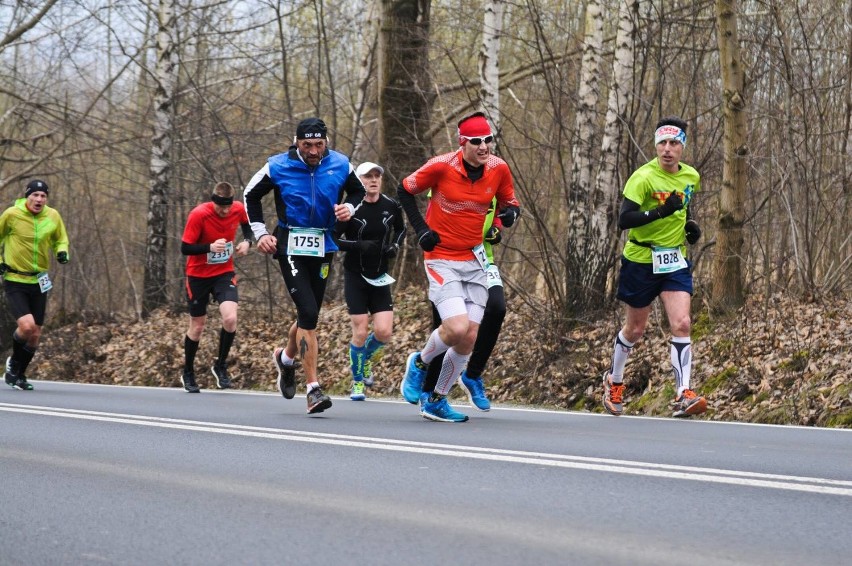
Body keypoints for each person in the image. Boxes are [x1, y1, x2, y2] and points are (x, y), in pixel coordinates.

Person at [398, 111, 520, 423]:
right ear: (462, 143)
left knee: (469, 337)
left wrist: (509, 217)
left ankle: (438, 399)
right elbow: (404, 190)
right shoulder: (441, 166)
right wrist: (421, 230)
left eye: (488, 140)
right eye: (476, 141)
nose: (484, 146)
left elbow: (511, 205)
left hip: (475, 258)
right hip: (441, 258)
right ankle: (420, 363)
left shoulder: (499, 169)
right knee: (455, 328)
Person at [244, 117, 365, 414]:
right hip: (290, 244)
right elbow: (251, 195)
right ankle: (313, 389)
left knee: (308, 314)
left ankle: (285, 358)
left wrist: (349, 208)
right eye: (307, 145)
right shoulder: (277, 165)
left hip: (323, 243)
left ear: (326, 142)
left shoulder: (339, 163)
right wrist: (260, 234)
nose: (313, 151)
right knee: (309, 313)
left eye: (319, 144)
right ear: (296, 142)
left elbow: (358, 191)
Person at [602, 116, 706, 418]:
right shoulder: (642, 178)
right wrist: (661, 211)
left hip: (674, 259)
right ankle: (614, 381)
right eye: (662, 143)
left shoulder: (691, 177)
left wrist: (690, 227)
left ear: (682, 147)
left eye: (674, 143)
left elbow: (683, 210)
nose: (668, 149)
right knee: (635, 329)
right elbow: (625, 220)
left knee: (683, 323)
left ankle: (683, 393)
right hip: (641, 259)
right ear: (655, 145)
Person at [421, 200, 507, 411]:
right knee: (448, 326)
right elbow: (434, 212)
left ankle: (472, 375)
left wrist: (497, 227)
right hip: (447, 259)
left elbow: (502, 211)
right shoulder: (451, 172)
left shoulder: (494, 175)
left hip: (482, 261)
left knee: (497, 308)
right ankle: (428, 389)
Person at [334, 161, 406, 401]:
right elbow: (333, 238)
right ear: (359, 180)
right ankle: (357, 383)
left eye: (377, 176)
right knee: (361, 330)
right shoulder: (350, 209)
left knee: (384, 332)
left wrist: (395, 245)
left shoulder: (391, 205)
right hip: (355, 275)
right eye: (367, 177)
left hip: (379, 276)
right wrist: (359, 246)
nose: (373, 180)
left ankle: (365, 361)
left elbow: (401, 229)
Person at [179, 181, 252, 393]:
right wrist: (208, 247)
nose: (225, 211)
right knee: (198, 326)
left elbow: (248, 225)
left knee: (230, 318)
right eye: (221, 207)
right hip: (198, 275)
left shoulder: (238, 208)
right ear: (213, 203)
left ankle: (220, 365)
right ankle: (188, 371)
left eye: (228, 207)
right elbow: (185, 247)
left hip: (223, 272)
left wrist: (247, 241)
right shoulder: (199, 215)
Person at [0, 180, 70, 390]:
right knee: (27, 326)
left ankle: (19, 375)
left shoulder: (53, 216)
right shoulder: (12, 214)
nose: (39, 199)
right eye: (35, 195)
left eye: (43, 196)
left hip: (40, 280)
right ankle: (13, 364)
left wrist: (62, 251)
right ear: (27, 196)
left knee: (36, 334)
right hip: (15, 279)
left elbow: (61, 239)